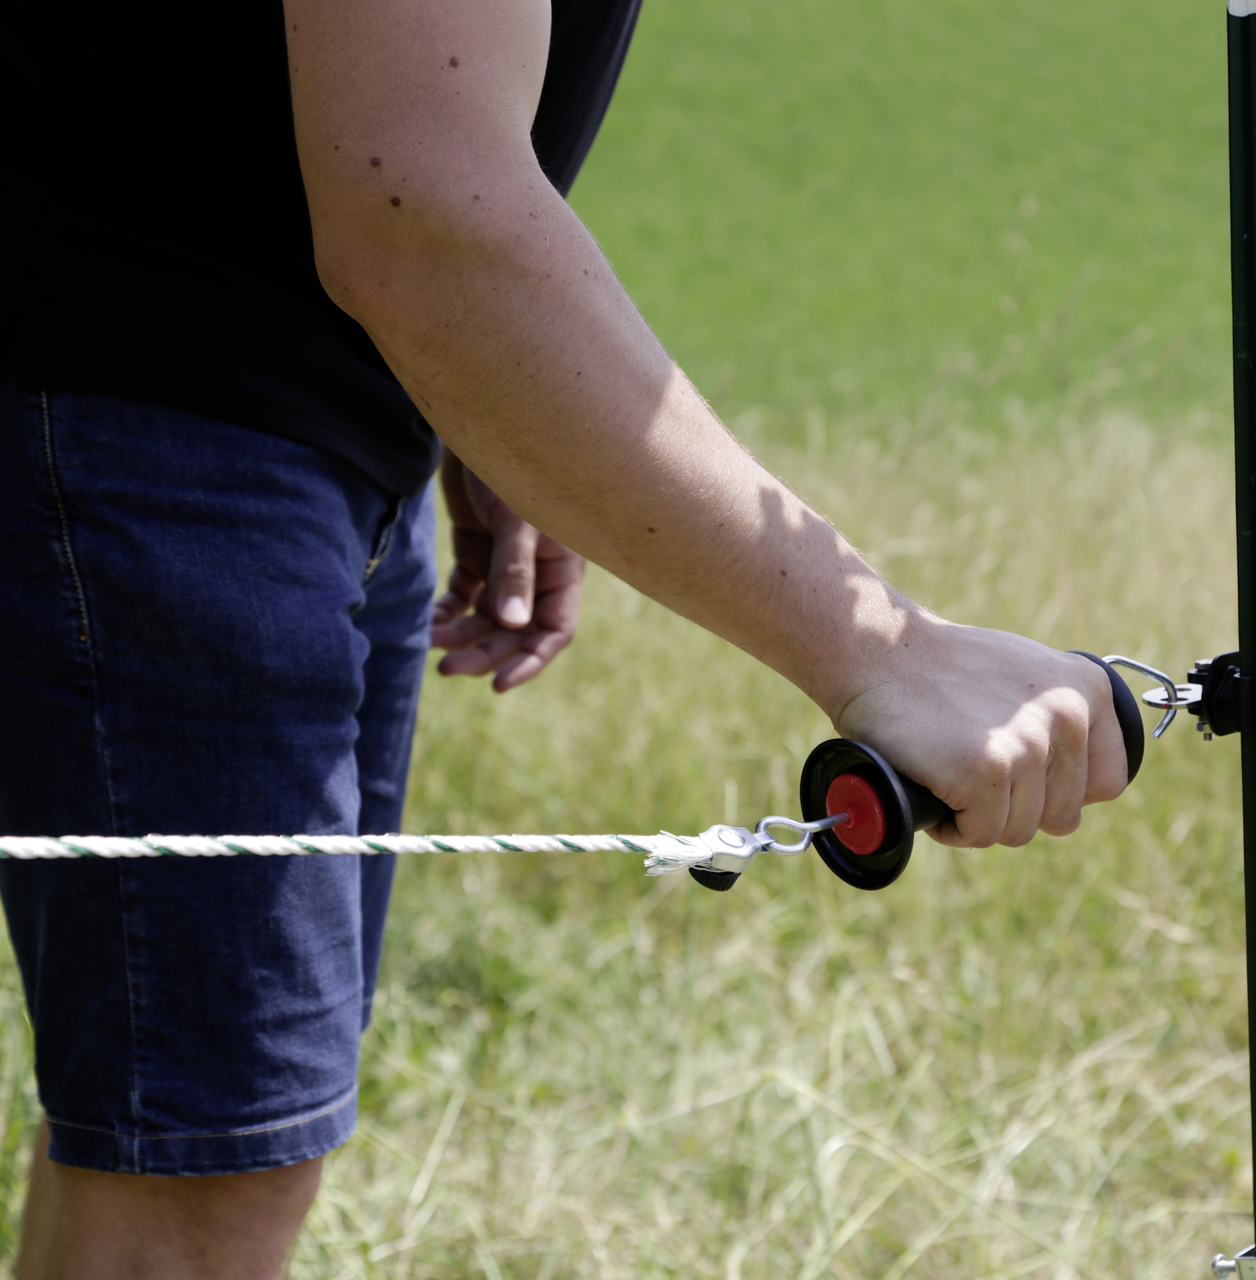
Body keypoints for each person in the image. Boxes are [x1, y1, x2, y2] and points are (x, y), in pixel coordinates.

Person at [0, 0, 1130, 1274]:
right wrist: (888, 651)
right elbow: (417, 210)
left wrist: (483, 407)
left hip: (288, 412)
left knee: (167, 1133)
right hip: (149, 411)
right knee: (207, 1169)